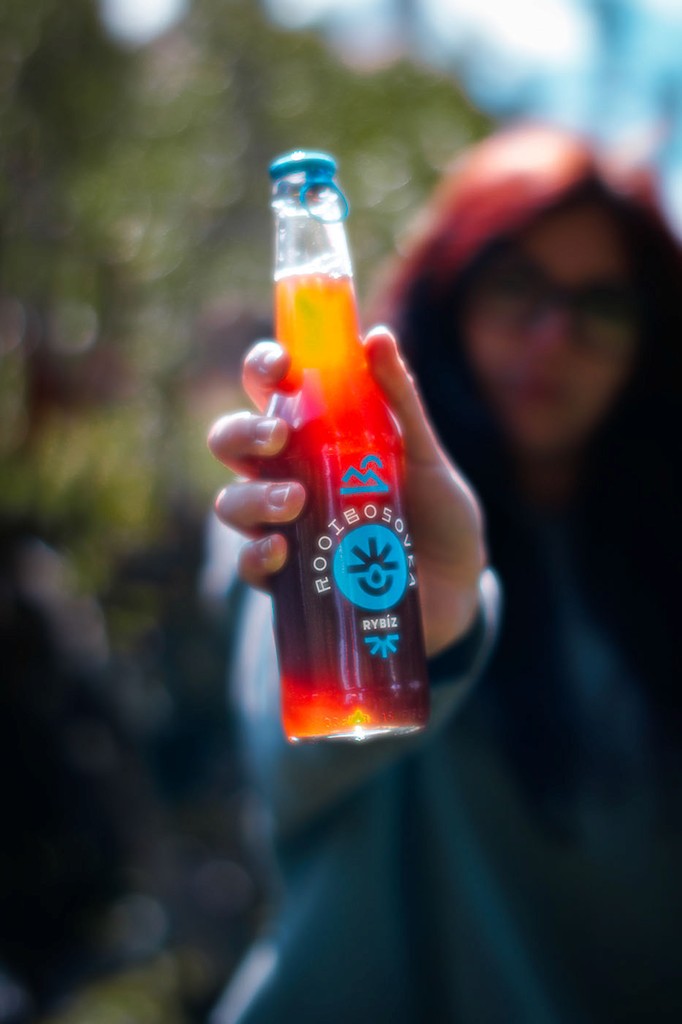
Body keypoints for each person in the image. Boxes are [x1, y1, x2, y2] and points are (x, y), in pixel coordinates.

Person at [206, 123, 682, 1023]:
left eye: (603, 305)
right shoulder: (322, 493)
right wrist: (415, 622)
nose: (554, 335)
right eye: (516, 285)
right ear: (448, 291)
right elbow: (288, 751)